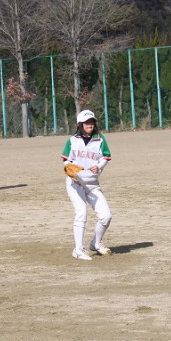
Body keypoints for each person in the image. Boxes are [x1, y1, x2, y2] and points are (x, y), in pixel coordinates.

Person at [61, 109, 112, 260]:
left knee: (106, 216)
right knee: (81, 213)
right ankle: (78, 249)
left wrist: (100, 166)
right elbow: (66, 159)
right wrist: (68, 168)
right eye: (86, 122)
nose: (90, 124)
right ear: (80, 124)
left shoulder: (100, 139)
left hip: (92, 184)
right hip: (75, 183)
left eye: (92, 122)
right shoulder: (72, 140)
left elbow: (106, 156)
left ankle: (95, 243)